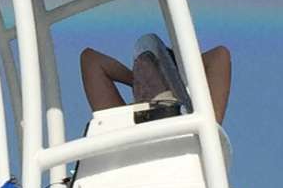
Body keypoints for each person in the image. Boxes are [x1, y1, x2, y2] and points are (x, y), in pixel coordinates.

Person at [80, 35, 232, 123]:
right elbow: (90, 60)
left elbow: (219, 56)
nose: (141, 82)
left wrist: (176, 77)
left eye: (147, 72)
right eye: (138, 76)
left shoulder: (193, 118)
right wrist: (135, 80)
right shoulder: (126, 121)